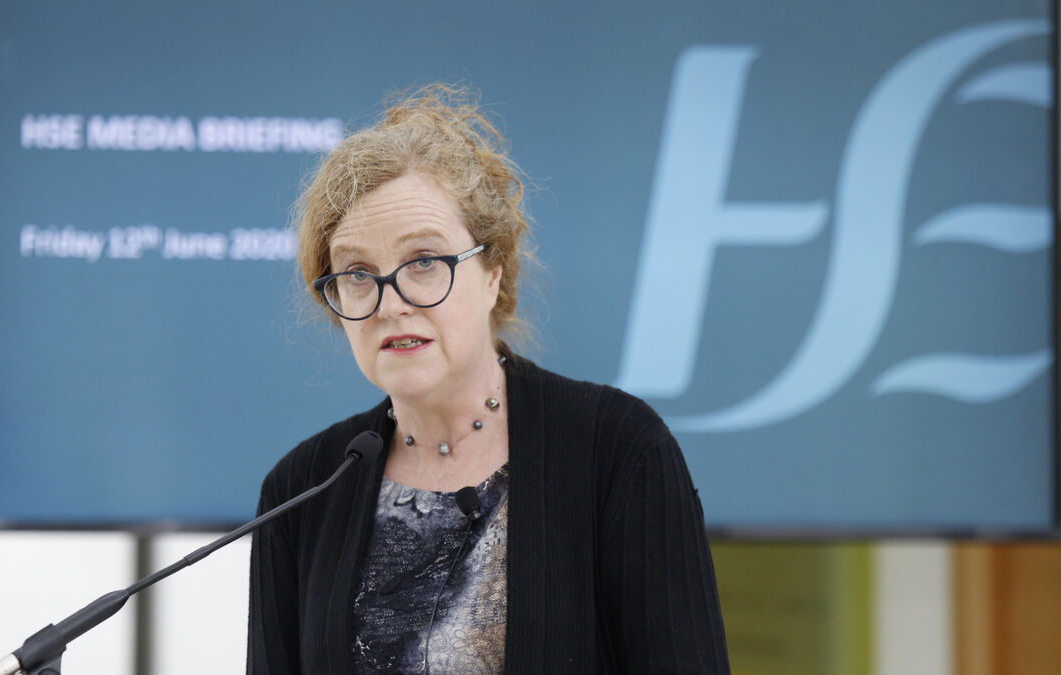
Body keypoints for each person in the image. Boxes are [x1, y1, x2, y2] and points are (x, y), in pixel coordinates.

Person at [247, 84, 729, 674]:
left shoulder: (618, 449)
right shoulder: (300, 490)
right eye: (357, 273)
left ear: (492, 271)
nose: (390, 304)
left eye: (424, 262)